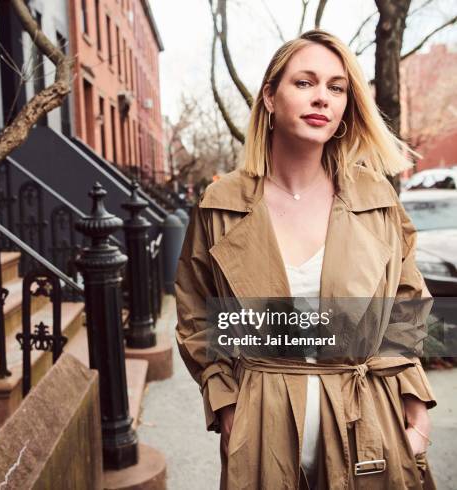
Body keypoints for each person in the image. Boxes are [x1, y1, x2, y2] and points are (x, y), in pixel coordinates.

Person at [175, 30, 437, 490]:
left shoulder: (375, 198)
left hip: (371, 417)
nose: (322, 98)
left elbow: (407, 302)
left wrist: (415, 412)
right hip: (261, 426)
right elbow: (198, 315)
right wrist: (228, 406)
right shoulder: (222, 203)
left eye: (336, 88)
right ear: (270, 97)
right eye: (305, 83)